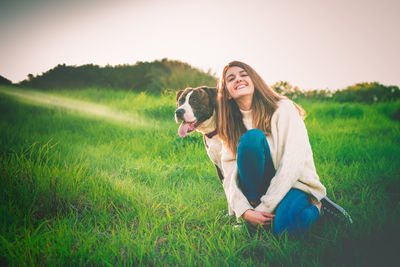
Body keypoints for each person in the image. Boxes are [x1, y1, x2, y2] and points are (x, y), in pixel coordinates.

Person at [217, 61, 351, 235]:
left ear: (255, 81)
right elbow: (229, 176)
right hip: (256, 192)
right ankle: (257, 215)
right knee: (251, 140)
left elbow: (292, 164)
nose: (238, 79)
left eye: (244, 75)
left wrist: (265, 207)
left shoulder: (283, 108)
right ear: (226, 93)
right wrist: (245, 211)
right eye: (231, 78)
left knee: (286, 231)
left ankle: (320, 207)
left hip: (293, 183)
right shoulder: (230, 125)